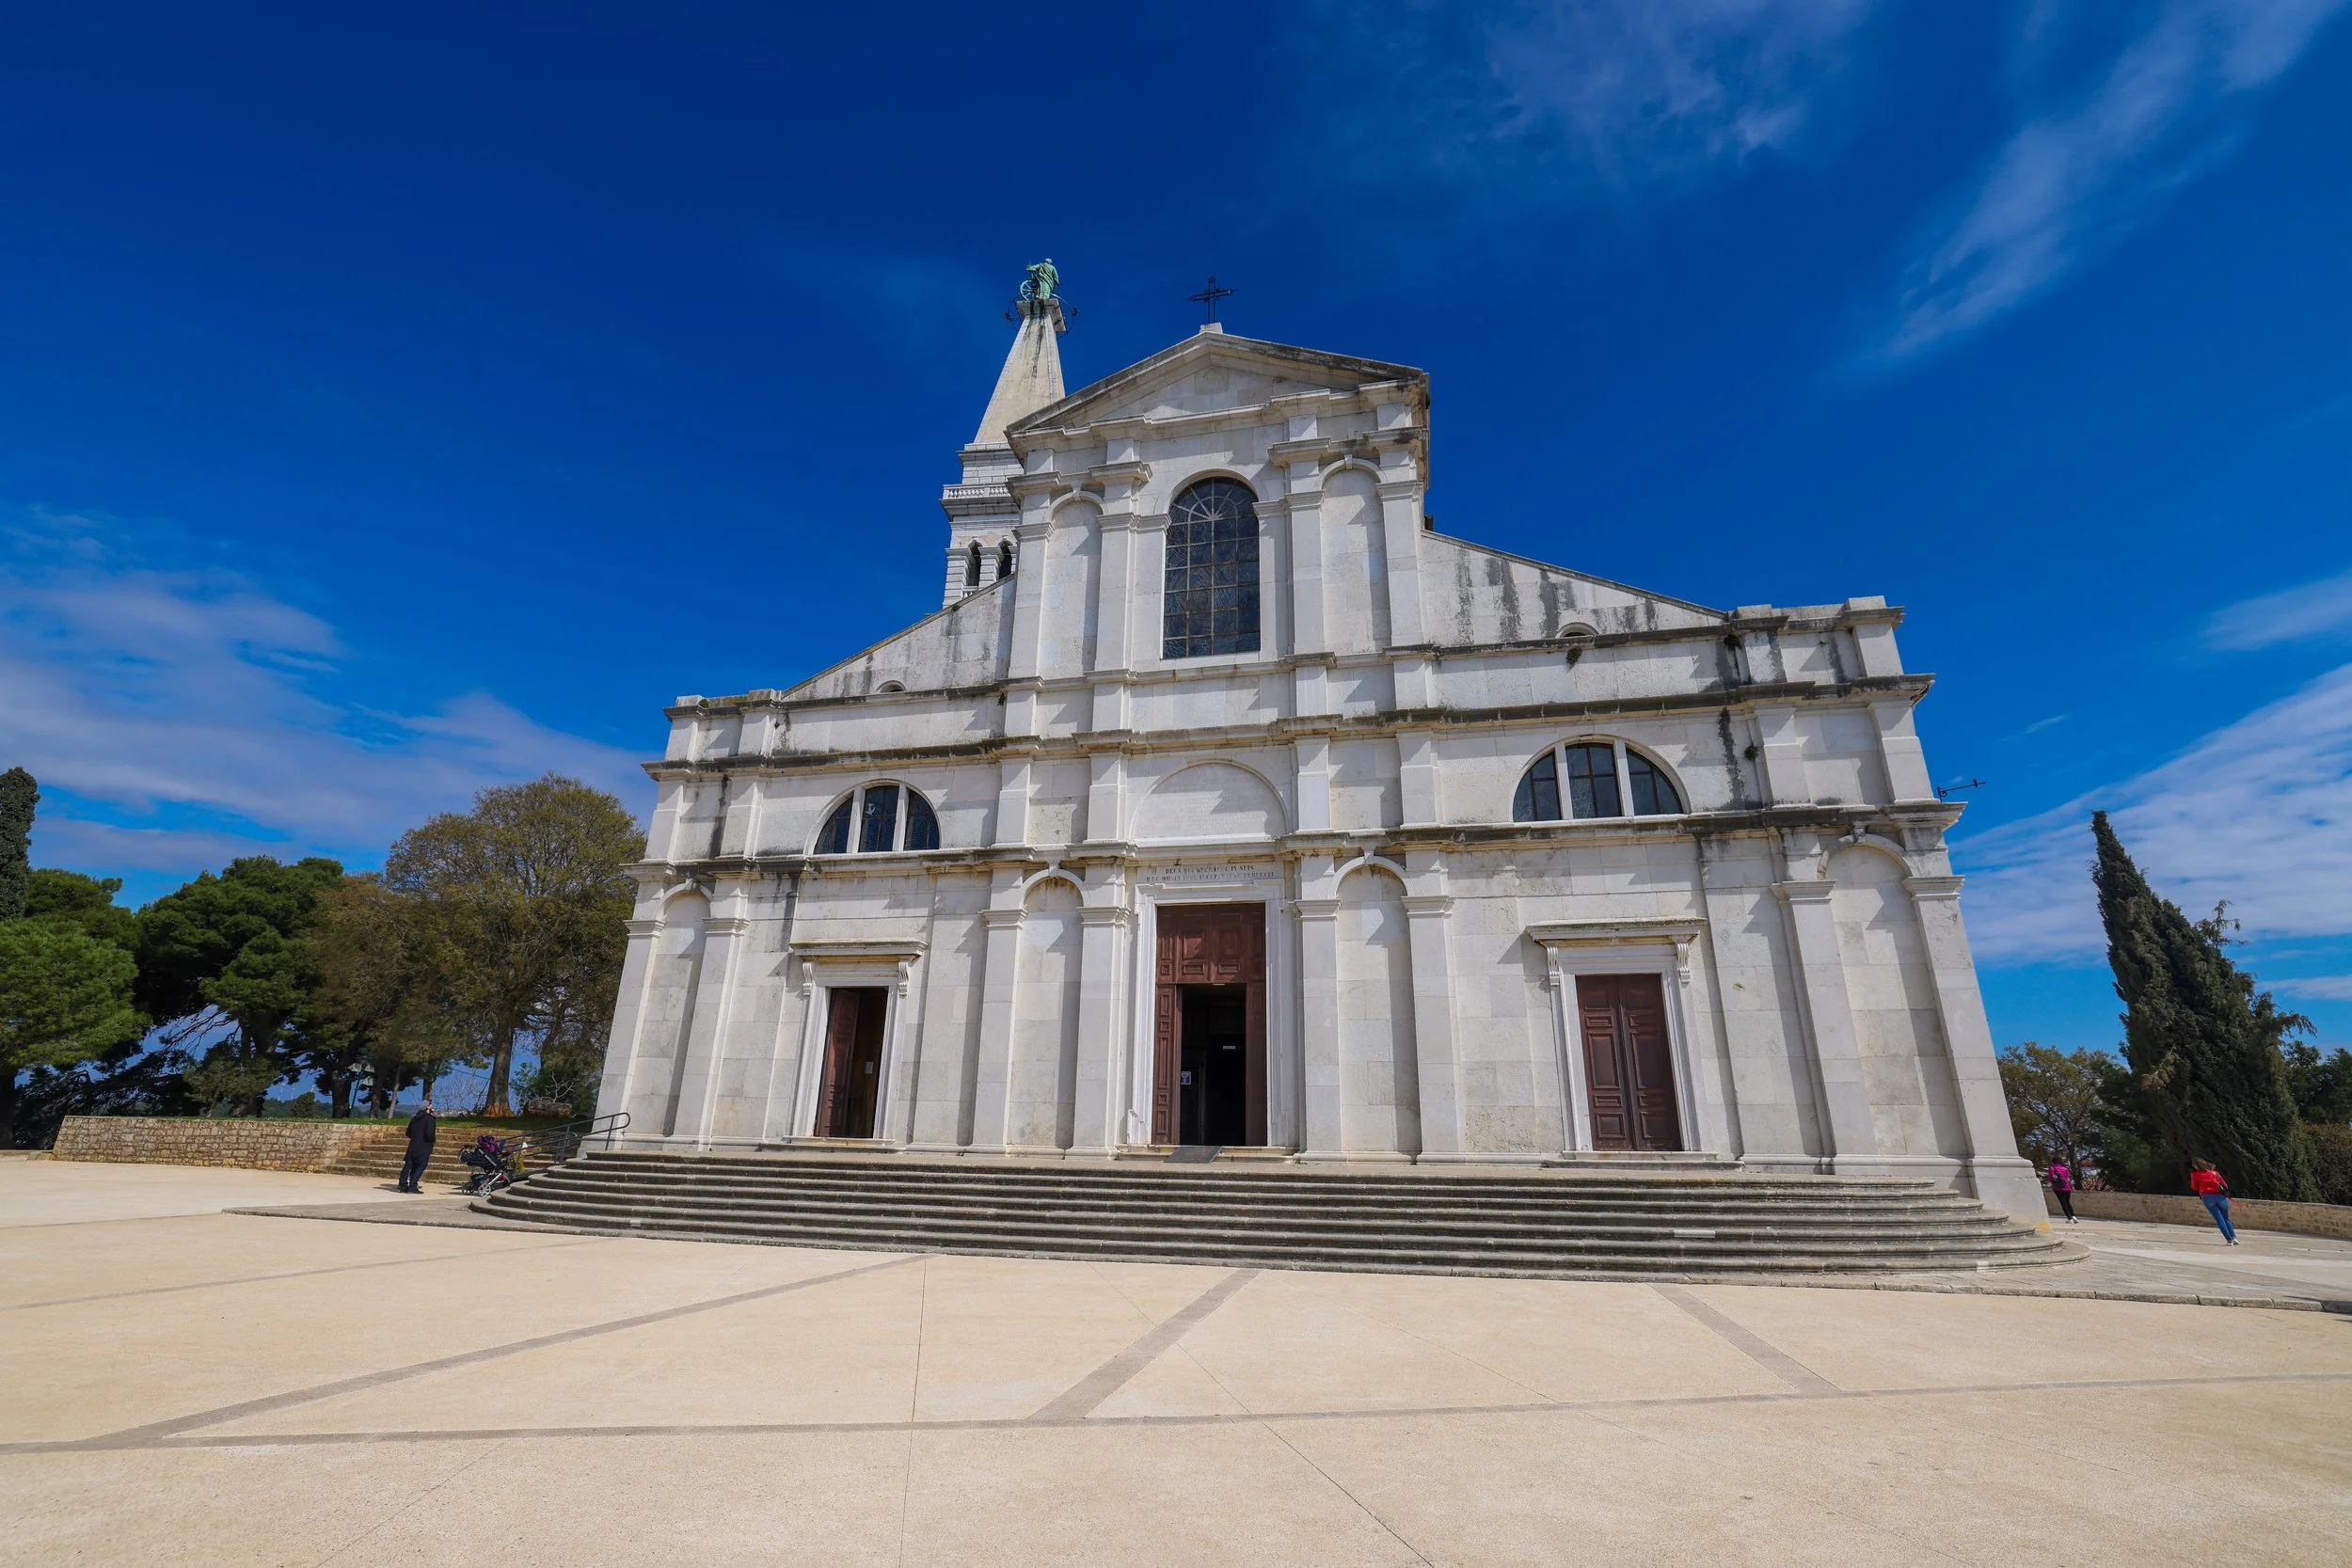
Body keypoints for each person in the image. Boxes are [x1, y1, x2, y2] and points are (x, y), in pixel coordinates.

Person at [2187, 1158, 2236, 1244]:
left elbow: (2194, 1187)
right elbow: (2225, 1185)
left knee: (2219, 1219)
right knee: (2226, 1218)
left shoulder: (2195, 1174)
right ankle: (2234, 1238)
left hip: (2208, 1197)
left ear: (2197, 1165)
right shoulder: (2215, 1173)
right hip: (2221, 1197)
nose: (2193, 1166)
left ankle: (2229, 1240)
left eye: (2194, 1165)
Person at [398, 1100, 438, 1193]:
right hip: (424, 1146)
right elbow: (429, 1134)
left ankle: (402, 1185)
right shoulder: (429, 1119)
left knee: (408, 1165)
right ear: (428, 1107)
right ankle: (413, 1186)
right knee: (421, 1165)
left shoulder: (415, 1118)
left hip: (413, 1145)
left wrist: (416, 1137)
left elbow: (408, 1133)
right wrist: (432, 1140)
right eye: (431, 1105)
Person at [2047, 1159, 2078, 1224]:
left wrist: (2052, 1183)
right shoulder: (2065, 1168)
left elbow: (2051, 1178)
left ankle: (2069, 1218)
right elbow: (2066, 1177)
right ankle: (2073, 1216)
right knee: (2068, 1202)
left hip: (2058, 1188)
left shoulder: (2052, 1168)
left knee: (2063, 1203)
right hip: (2067, 1187)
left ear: (2053, 1162)